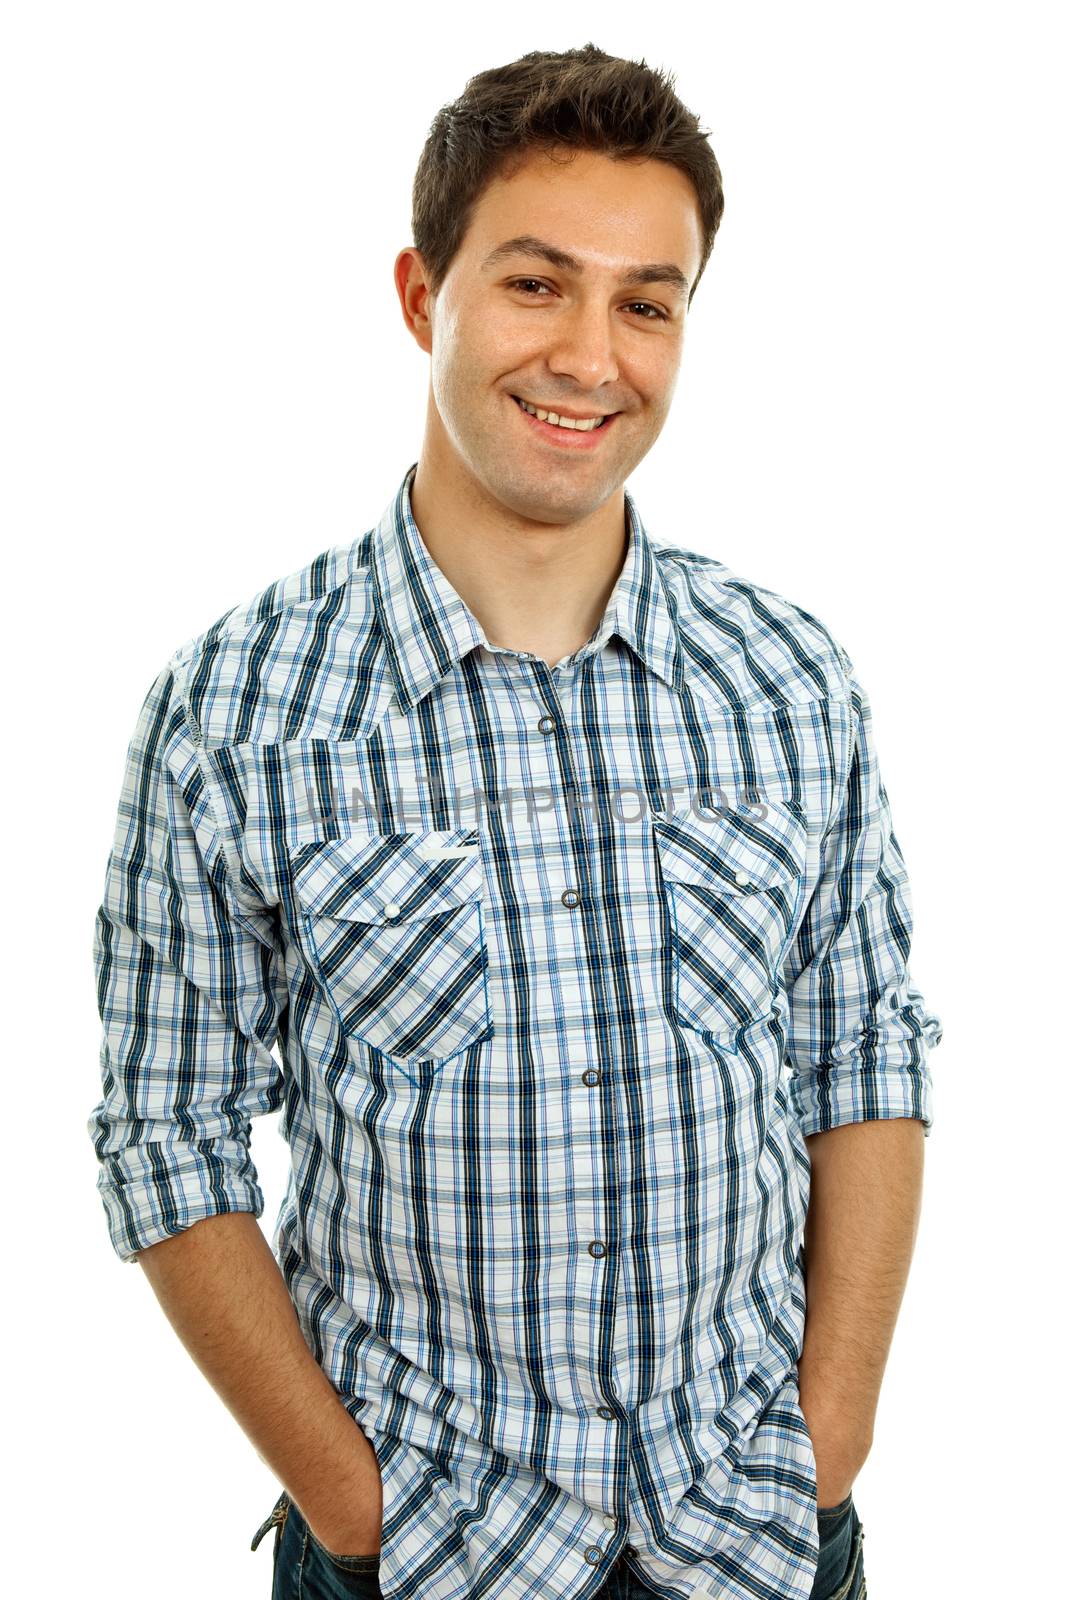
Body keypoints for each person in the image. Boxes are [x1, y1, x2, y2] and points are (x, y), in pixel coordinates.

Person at [87, 43, 942, 1600]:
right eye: (537, 284)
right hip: (424, 1555)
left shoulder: (791, 678)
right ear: (424, 296)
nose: (592, 357)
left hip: (755, 1536)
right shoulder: (233, 709)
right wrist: (351, 1505)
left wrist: (834, 1439)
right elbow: (166, 1141)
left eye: (647, 300)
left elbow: (865, 1049)